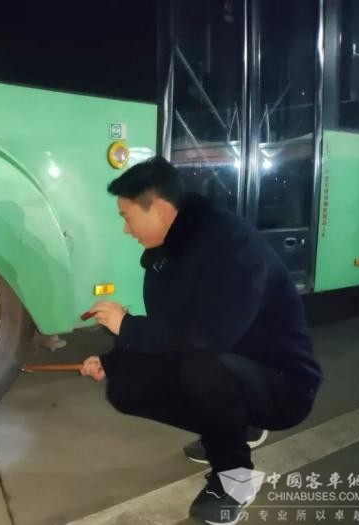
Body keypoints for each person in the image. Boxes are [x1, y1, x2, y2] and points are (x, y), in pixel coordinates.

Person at [79, 156, 323, 525]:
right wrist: (113, 360)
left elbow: (208, 337)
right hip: (231, 366)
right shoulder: (166, 252)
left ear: (159, 209)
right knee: (125, 387)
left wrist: (126, 325)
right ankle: (230, 428)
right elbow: (169, 331)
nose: (126, 229)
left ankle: (235, 480)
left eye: (127, 217)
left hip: (283, 384)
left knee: (202, 367)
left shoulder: (231, 245)